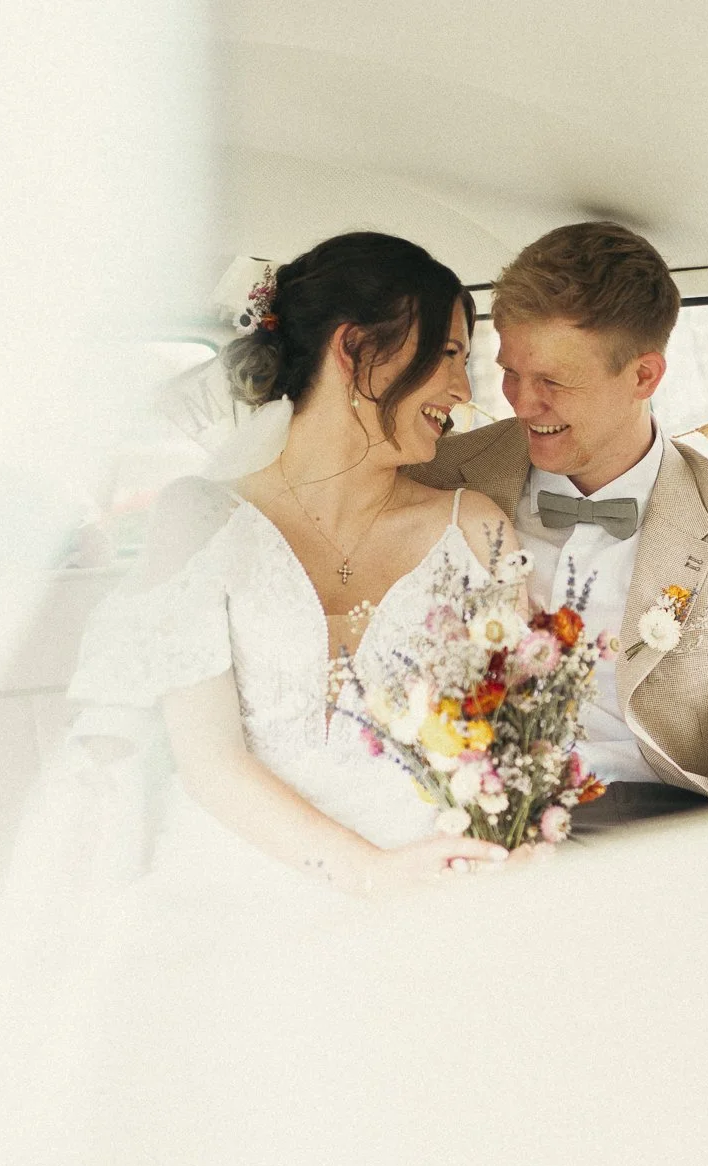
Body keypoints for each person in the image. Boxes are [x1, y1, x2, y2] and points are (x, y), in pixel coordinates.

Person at [62, 231, 519, 907]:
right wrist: (369, 874)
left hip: (441, 882)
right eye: (449, 353)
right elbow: (211, 763)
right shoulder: (199, 520)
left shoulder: (478, 529)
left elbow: (513, 739)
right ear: (356, 349)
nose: (464, 387)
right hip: (247, 889)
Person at [412, 221, 708, 830]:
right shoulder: (443, 473)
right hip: (460, 812)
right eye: (511, 371)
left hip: (657, 826)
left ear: (643, 376)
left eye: (553, 382)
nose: (520, 401)